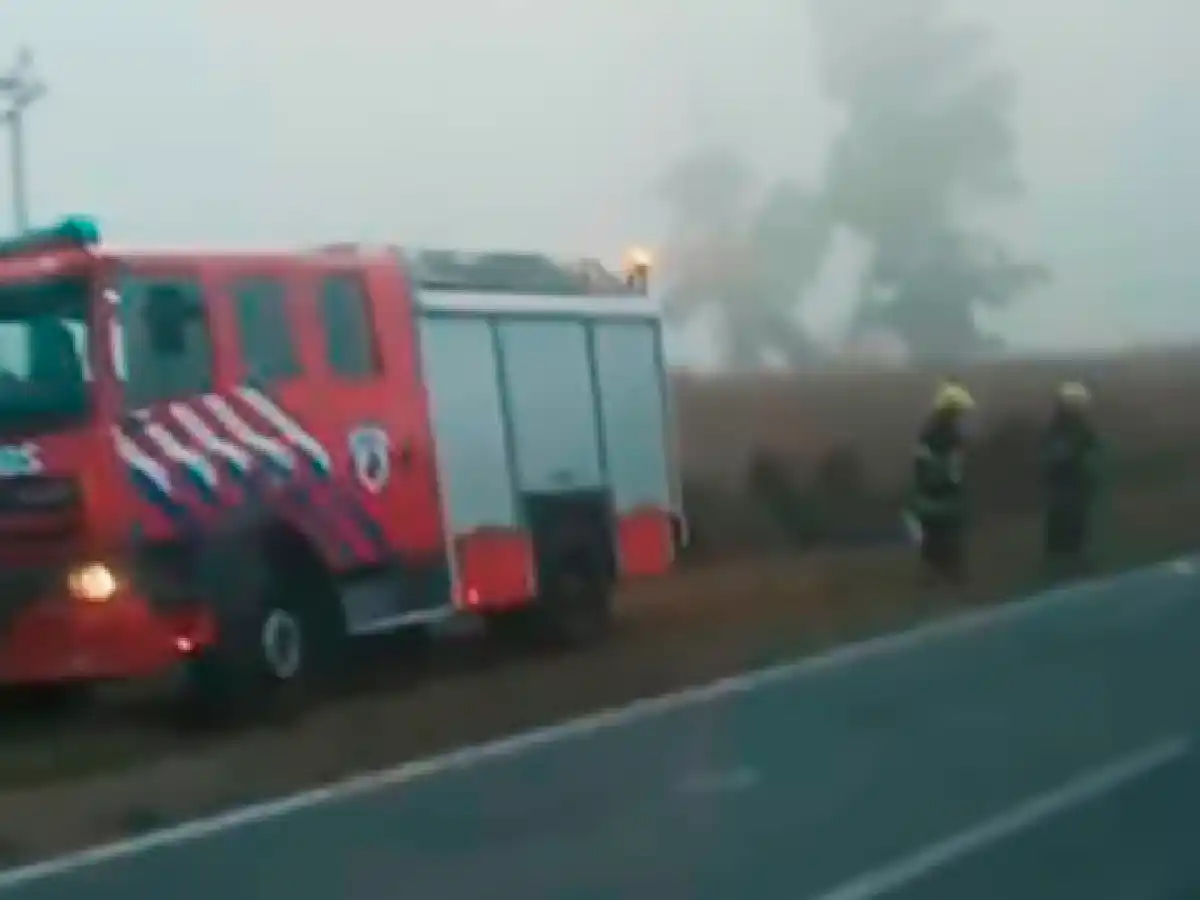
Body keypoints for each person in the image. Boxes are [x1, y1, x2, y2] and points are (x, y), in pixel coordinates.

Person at [907, 381, 975, 582]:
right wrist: (951, 477)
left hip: (934, 494)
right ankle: (944, 575)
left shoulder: (934, 430)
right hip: (938, 494)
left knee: (938, 538)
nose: (961, 414)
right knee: (942, 537)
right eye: (958, 410)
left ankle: (940, 574)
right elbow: (940, 464)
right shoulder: (943, 433)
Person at [1041, 381, 1101, 573]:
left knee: (1075, 518)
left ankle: (1071, 557)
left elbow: (1091, 442)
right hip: (1065, 480)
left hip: (1072, 480)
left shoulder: (1074, 426)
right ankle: (1066, 560)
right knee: (1067, 517)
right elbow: (1060, 455)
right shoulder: (1061, 428)